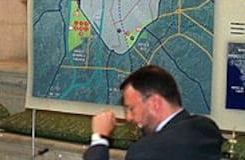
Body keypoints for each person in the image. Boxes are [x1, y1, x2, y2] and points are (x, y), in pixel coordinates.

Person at [83, 65, 223, 160]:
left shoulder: (146, 151)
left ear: (155, 103)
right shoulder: (207, 129)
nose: (128, 117)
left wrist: (99, 139)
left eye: (131, 109)